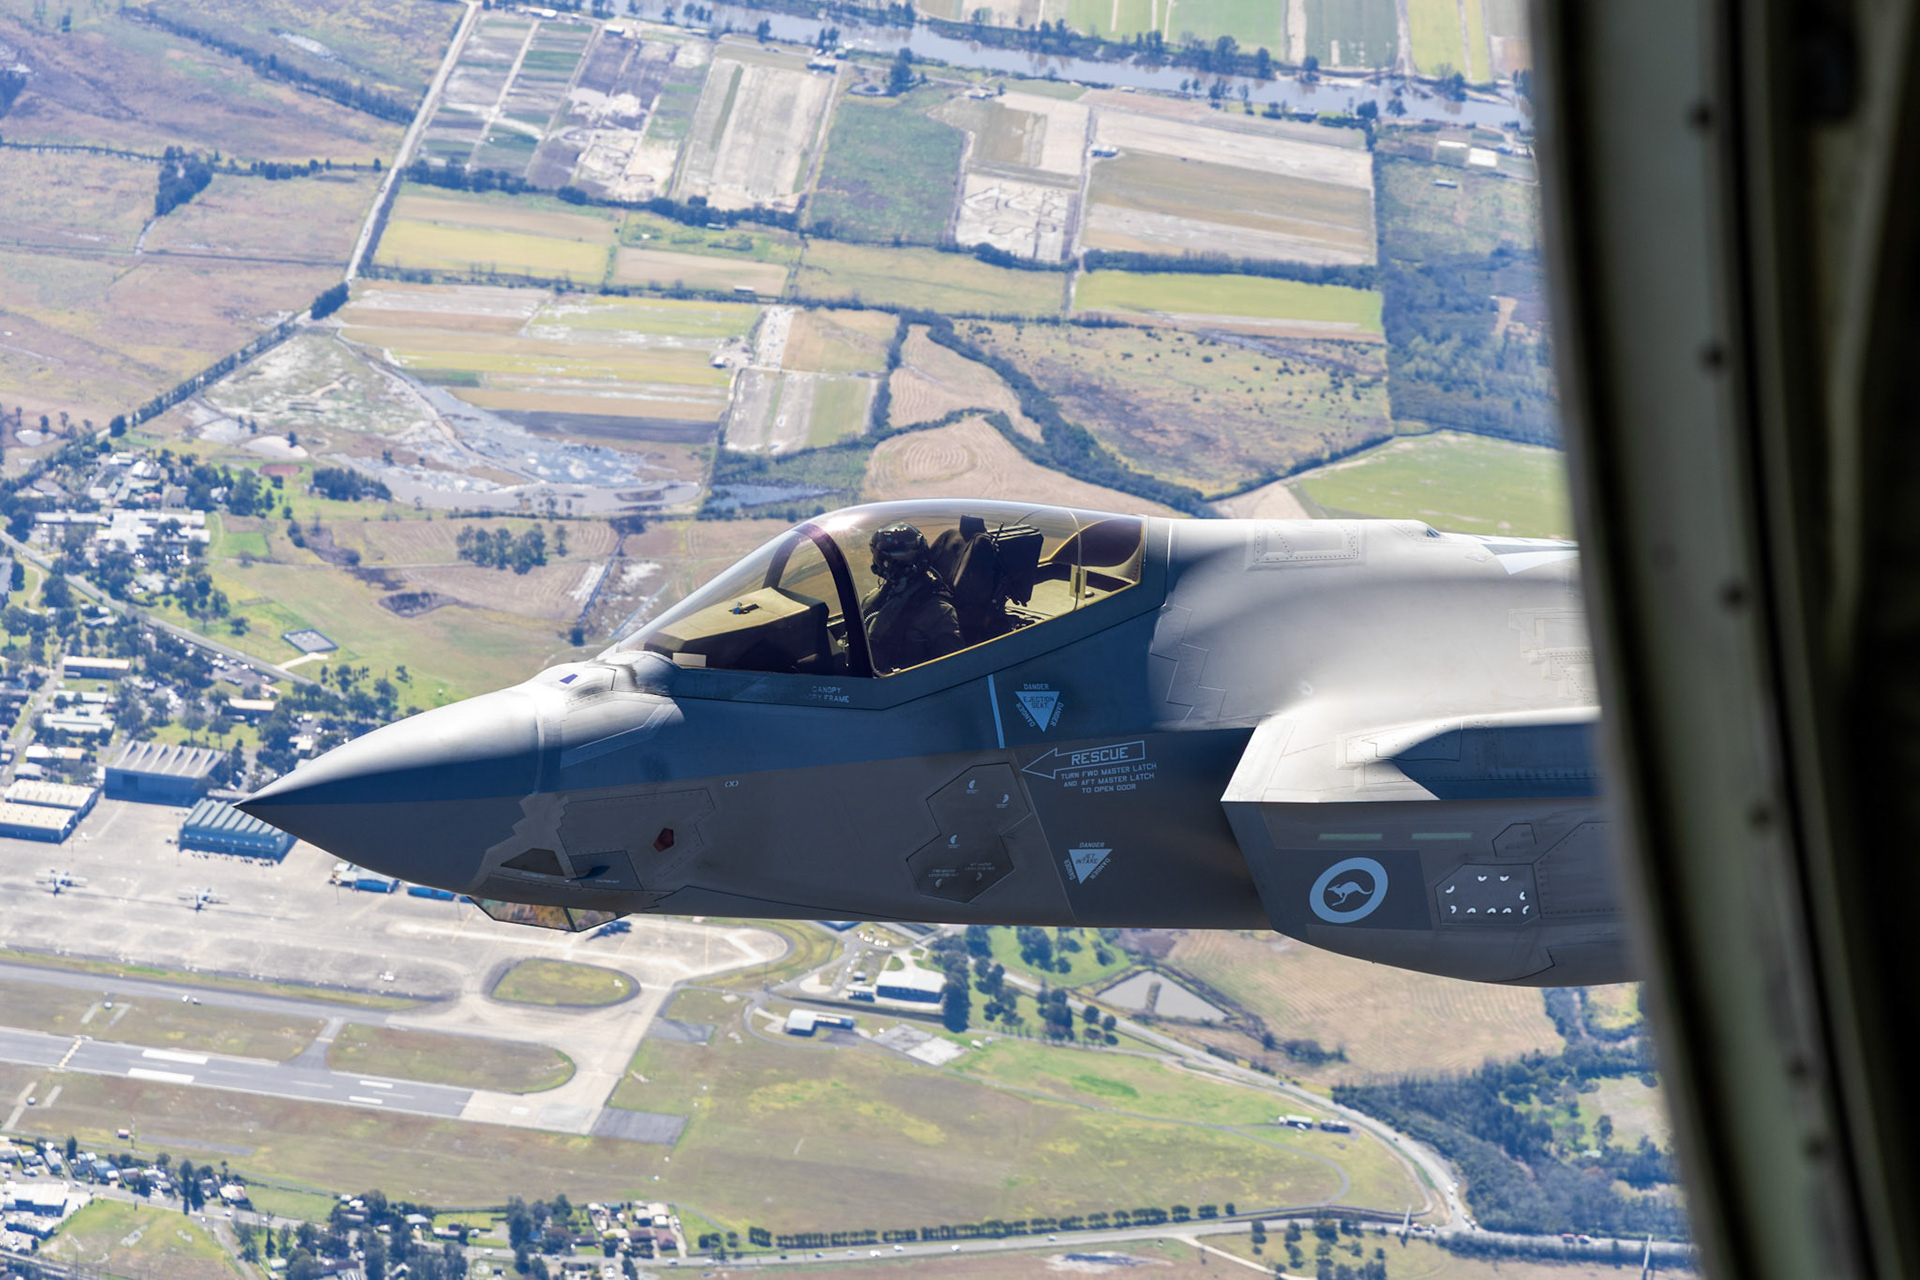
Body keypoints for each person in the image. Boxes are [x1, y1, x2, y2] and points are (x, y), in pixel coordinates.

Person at [862, 522, 963, 673]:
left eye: (901, 558)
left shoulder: (939, 612)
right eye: (884, 558)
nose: (891, 565)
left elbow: (954, 672)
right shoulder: (874, 599)